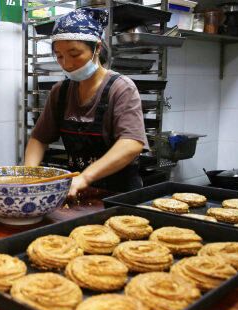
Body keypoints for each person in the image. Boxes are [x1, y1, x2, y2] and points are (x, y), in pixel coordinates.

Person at [24, 8, 148, 198]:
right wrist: (29, 174)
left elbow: (132, 144)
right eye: (59, 56)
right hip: (78, 194)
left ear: (97, 48)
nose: (67, 64)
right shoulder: (61, 91)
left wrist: (85, 177)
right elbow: (39, 138)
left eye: (74, 54)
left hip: (119, 194)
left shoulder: (121, 88)